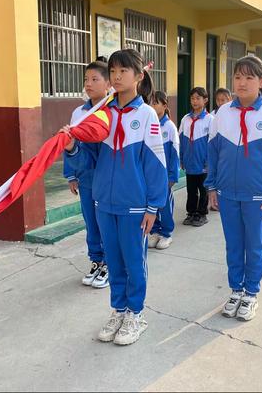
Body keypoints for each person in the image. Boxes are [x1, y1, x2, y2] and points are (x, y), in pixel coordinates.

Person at [63, 49, 168, 346]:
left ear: (139, 76)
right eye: (113, 71)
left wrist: (153, 206)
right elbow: (90, 160)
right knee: (115, 262)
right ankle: (118, 310)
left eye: (124, 70)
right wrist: (72, 148)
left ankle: (136, 314)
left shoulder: (146, 114)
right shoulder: (102, 114)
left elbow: (156, 165)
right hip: (104, 204)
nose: (117, 76)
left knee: (134, 262)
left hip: (135, 205)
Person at [205, 56, 262, 321]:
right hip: (228, 194)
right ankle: (236, 290)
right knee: (233, 245)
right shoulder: (222, 113)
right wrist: (212, 187)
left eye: (249, 77)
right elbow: (213, 152)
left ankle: (251, 293)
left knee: (254, 246)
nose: (242, 82)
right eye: (238, 76)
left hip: (258, 197)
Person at [63, 60, 110, 289]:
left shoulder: (112, 111)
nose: (88, 84)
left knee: (106, 224)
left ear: (108, 83)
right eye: (86, 79)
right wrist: (71, 174)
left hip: (109, 179)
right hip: (87, 177)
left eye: (95, 79)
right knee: (91, 223)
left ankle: (110, 264)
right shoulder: (79, 112)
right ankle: (96, 260)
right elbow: (71, 143)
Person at [148, 91, 180, 249]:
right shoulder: (149, 124)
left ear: (165, 105)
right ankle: (154, 231)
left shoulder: (170, 127)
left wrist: (172, 176)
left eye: (155, 103)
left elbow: (174, 153)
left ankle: (167, 233)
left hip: (165, 176)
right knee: (151, 205)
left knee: (165, 206)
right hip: (150, 176)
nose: (152, 106)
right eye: (150, 103)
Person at [179, 87, 213, 227]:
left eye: (198, 98)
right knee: (191, 190)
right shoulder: (185, 119)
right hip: (189, 162)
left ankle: (202, 213)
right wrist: (181, 158)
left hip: (203, 162)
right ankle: (191, 212)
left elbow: (212, 143)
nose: (194, 101)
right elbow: (180, 140)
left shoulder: (210, 120)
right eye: (192, 98)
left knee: (203, 189)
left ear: (205, 100)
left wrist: (209, 161)